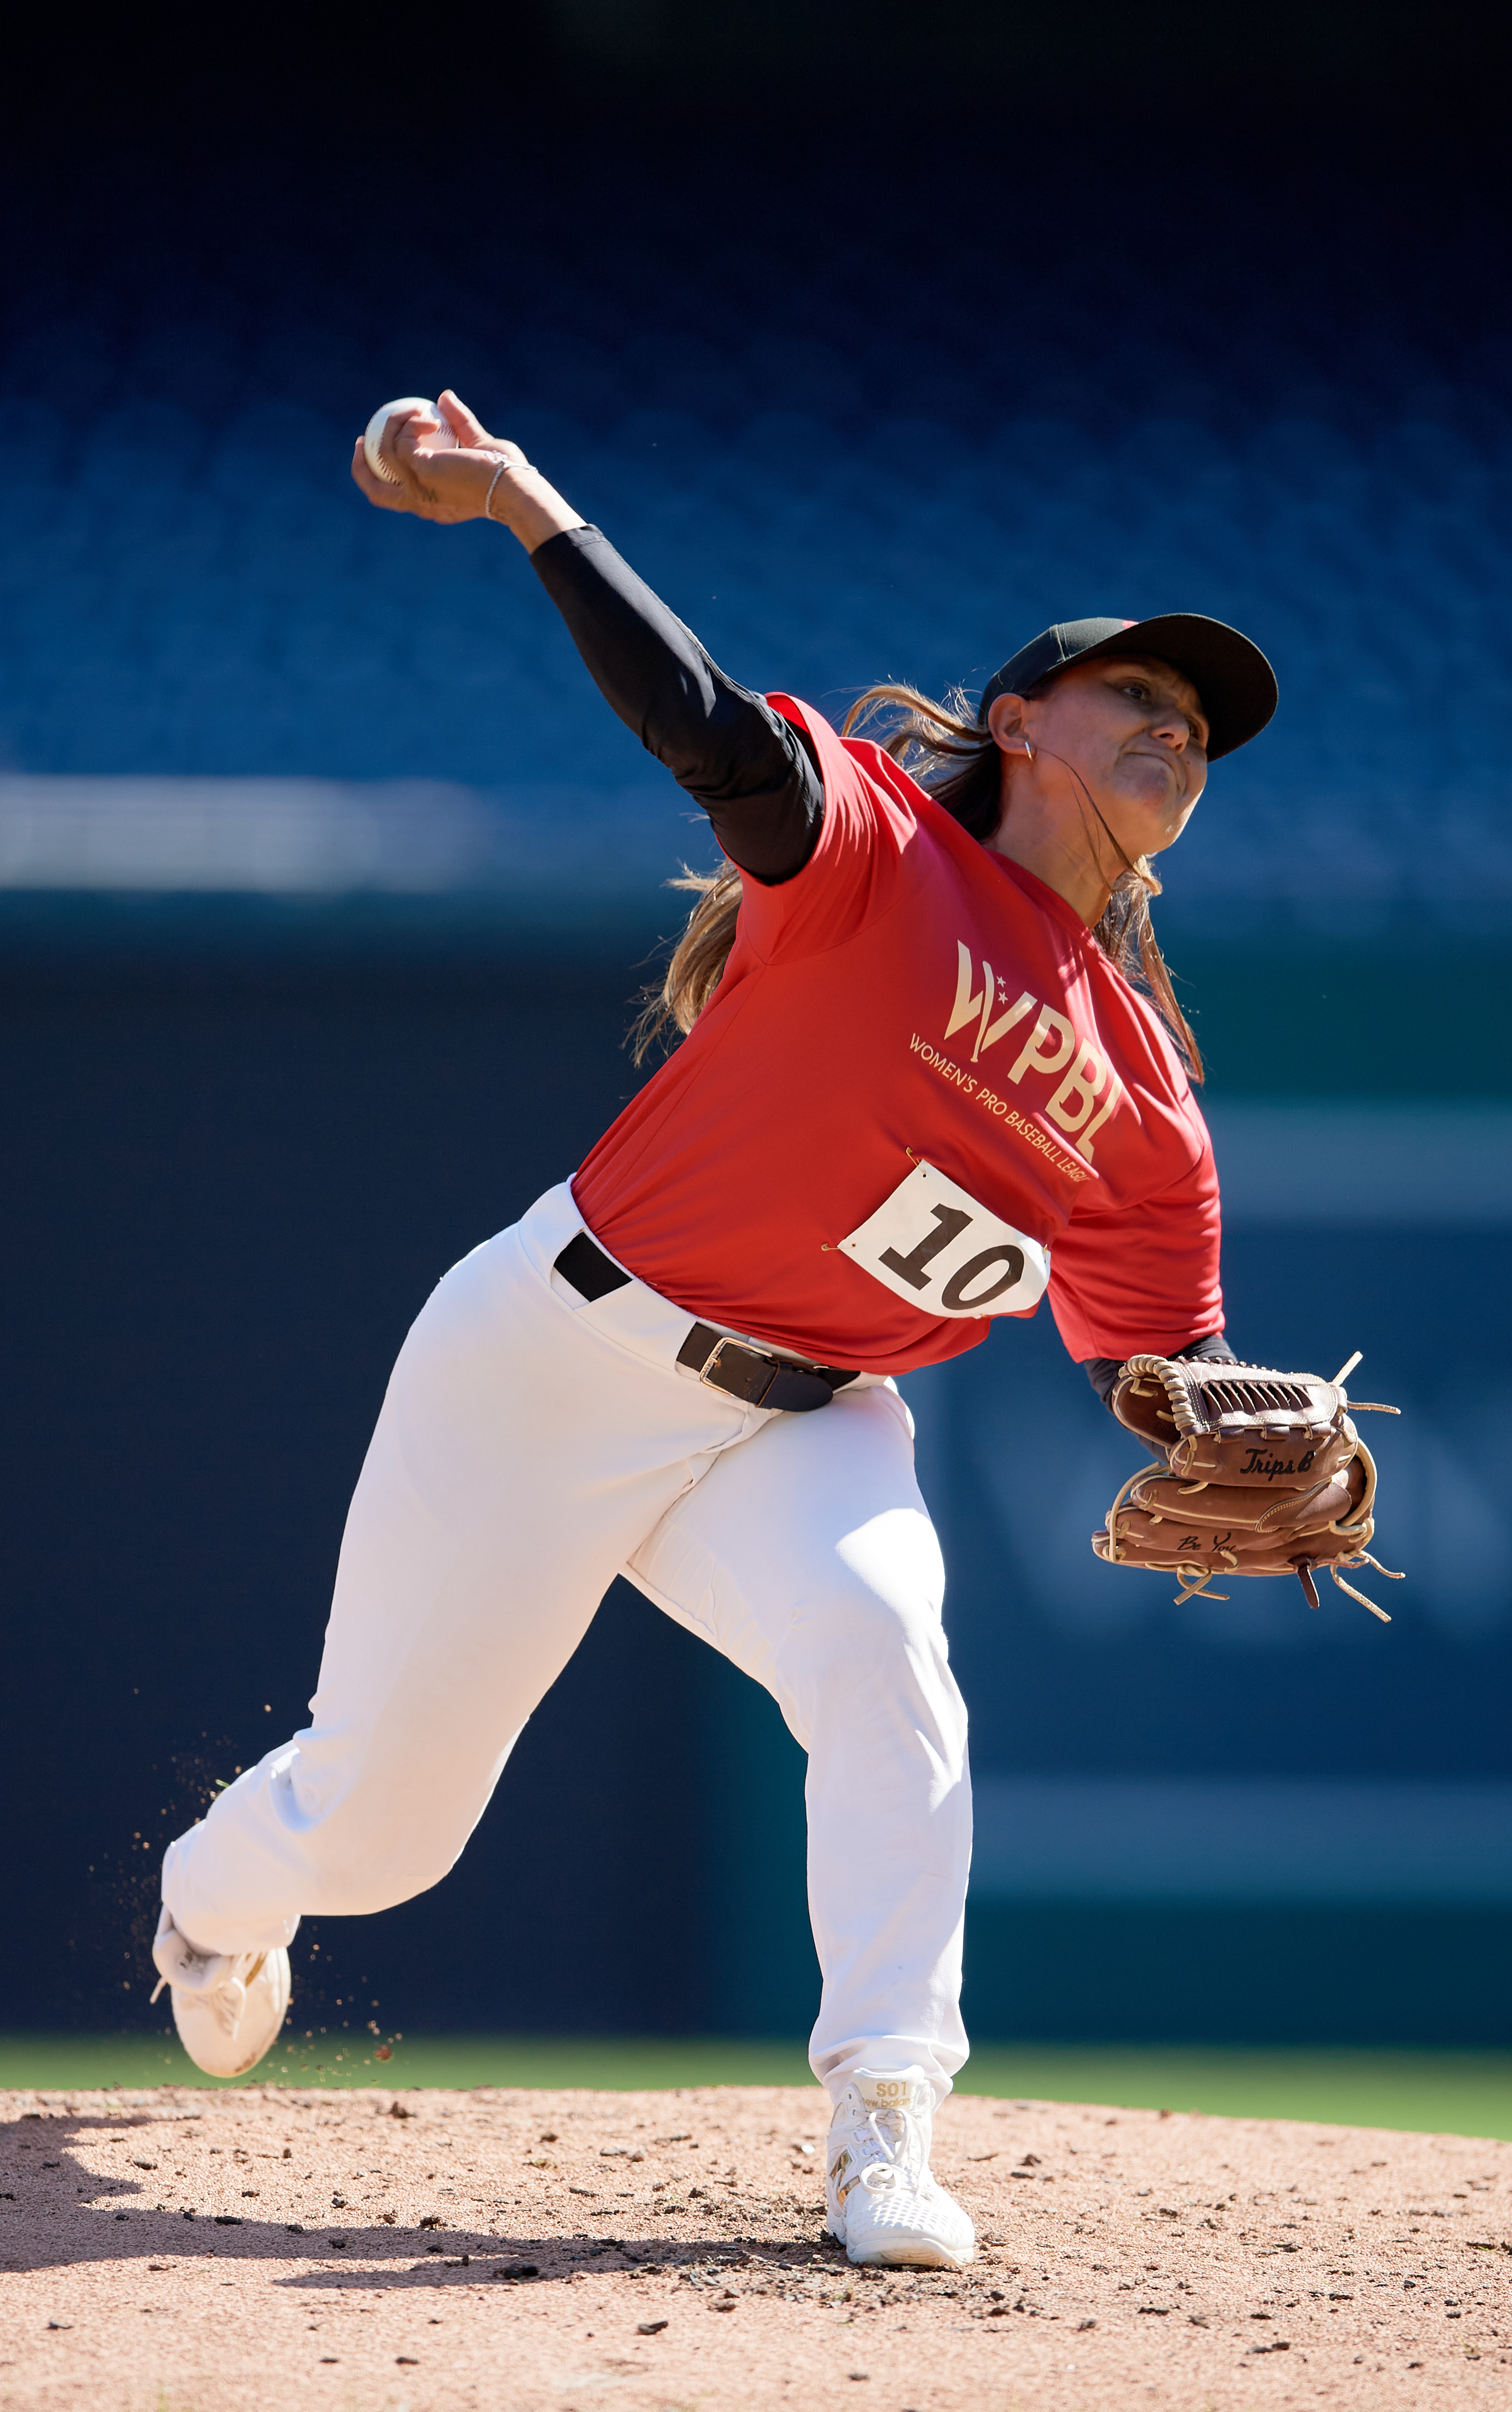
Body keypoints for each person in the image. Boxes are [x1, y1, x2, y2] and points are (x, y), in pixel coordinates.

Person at [149, 392, 1278, 2270]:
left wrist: (1222, 1423)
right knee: (387, 1834)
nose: (1179, 731)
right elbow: (709, 730)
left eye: (1201, 728)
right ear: (1019, 724)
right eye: (1138, 697)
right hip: (559, 1359)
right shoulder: (882, 852)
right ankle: (216, 1893)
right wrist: (528, 504)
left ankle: (886, 2126)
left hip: (804, 1420)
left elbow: (1148, 1350)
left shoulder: (1149, 1092)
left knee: (891, 1659)